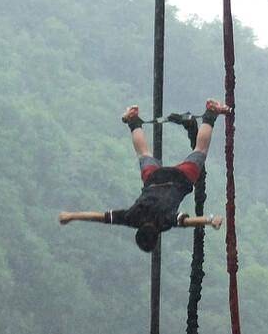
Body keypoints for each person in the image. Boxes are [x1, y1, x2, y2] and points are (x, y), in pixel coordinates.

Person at [58, 99, 231, 252]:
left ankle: (211, 112)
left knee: (200, 151)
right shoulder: (131, 218)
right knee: (144, 154)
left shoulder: (163, 222)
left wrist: (211, 220)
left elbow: (189, 222)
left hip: (180, 179)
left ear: (156, 237)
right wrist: (71, 216)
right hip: (153, 178)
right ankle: (133, 120)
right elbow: (99, 217)